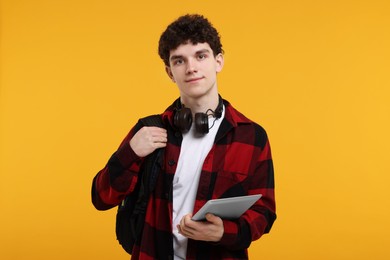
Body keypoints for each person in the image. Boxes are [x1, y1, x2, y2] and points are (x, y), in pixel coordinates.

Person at [92, 14, 276, 259]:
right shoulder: (148, 131)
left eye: (200, 56)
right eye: (179, 61)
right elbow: (101, 197)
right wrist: (131, 154)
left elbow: (264, 212)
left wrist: (224, 232)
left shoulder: (252, 136)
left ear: (218, 61)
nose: (191, 68)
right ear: (170, 72)